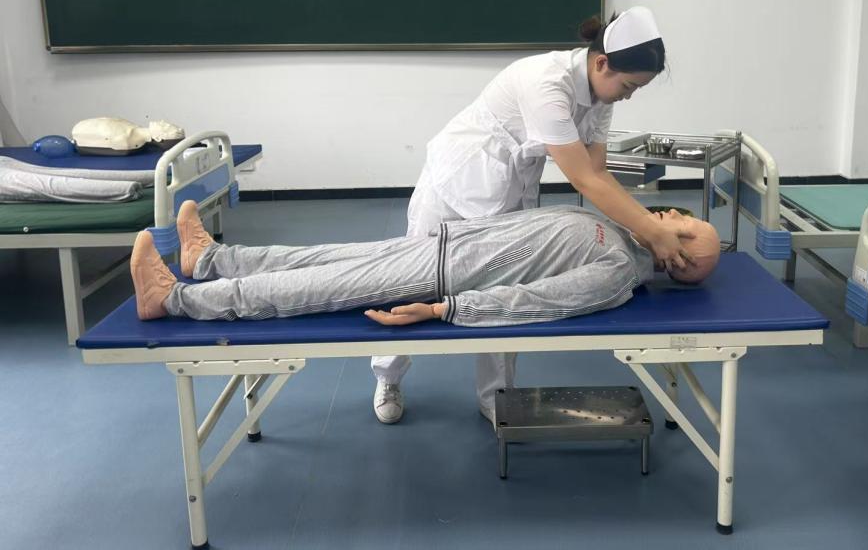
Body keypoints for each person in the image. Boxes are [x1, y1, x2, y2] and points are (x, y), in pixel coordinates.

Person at [373, 6, 692, 425]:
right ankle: (388, 377)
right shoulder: (547, 82)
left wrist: (647, 231)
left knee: (505, 286)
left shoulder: (601, 96)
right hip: (454, 183)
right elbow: (584, 180)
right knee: (412, 277)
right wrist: (651, 229)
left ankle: (497, 396)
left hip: (509, 189)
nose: (628, 95)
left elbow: (598, 171)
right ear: (602, 63)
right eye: (629, 86)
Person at [132, 201, 721, 328]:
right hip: (441, 245)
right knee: (319, 255)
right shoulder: (619, 228)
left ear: (680, 260)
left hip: (438, 277)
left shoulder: (617, 271)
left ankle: (174, 299)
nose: (674, 214)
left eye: (685, 227)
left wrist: (444, 309)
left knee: (311, 285)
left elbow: (534, 302)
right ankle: (211, 259)